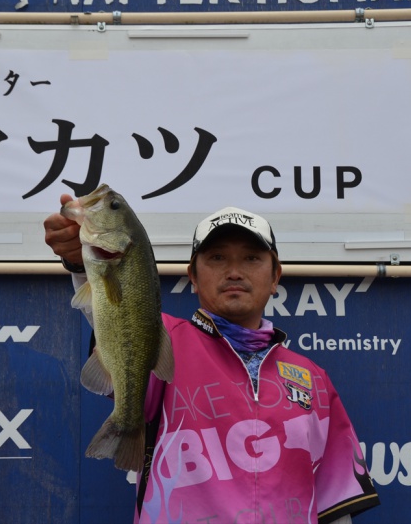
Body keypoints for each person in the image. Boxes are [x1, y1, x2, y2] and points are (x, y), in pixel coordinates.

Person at [44, 195, 380, 524]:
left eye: (251, 258)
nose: (234, 271)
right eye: (217, 258)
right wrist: (80, 263)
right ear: (192, 275)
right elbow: (112, 313)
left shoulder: (313, 377)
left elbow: (335, 507)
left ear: (276, 276)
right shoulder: (163, 337)